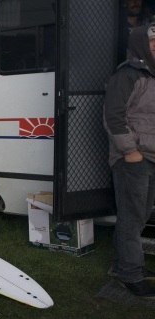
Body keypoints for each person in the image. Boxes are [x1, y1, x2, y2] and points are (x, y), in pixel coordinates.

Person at [103, 23, 155, 298]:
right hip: (133, 158)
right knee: (131, 218)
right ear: (141, 44)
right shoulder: (128, 75)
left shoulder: (151, 74)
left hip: (150, 156)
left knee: (140, 216)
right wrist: (130, 152)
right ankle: (130, 275)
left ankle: (122, 265)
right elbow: (113, 116)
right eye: (153, 41)